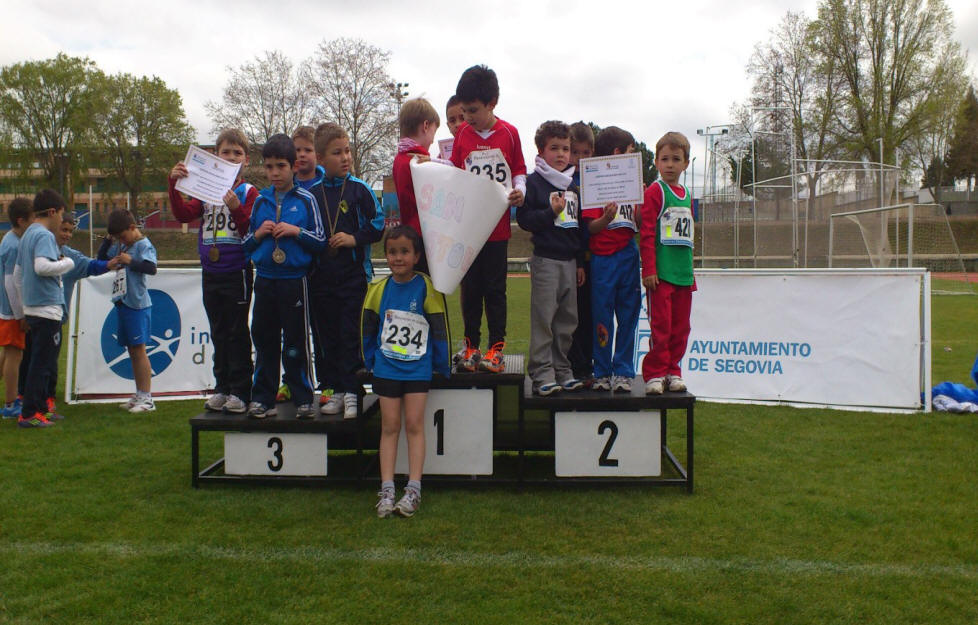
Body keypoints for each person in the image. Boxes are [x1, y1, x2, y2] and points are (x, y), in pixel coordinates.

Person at [361, 225, 450, 518]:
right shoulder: (377, 290)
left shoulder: (427, 286)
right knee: (389, 427)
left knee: (414, 425)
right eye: (392, 252)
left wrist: (442, 364)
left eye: (404, 252)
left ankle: (413, 490)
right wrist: (372, 360)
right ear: (385, 255)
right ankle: (387, 489)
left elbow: (439, 329)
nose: (397, 258)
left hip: (417, 370)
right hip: (386, 369)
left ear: (416, 256)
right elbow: (368, 329)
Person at [169, 128, 258, 414]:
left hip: (237, 272)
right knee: (218, 331)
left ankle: (242, 390)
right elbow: (183, 214)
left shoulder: (248, 192)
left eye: (237, 153)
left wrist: (236, 209)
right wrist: (174, 185)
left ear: (246, 161)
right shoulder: (205, 191)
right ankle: (222, 387)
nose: (231, 157)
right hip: (211, 271)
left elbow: (251, 231)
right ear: (215, 156)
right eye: (225, 152)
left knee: (237, 331)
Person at [449, 64, 526, 373]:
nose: (467, 117)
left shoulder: (509, 133)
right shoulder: (464, 135)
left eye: (473, 110)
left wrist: (519, 190)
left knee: (495, 291)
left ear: (492, 103)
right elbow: (455, 175)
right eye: (464, 111)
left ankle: (496, 349)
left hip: (497, 231)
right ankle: (470, 348)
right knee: (470, 291)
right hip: (469, 231)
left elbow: (519, 169)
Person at [242, 133, 325, 419]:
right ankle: (263, 398)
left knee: (295, 341)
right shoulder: (260, 202)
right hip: (265, 279)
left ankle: (302, 396)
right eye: (269, 167)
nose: (275, 173)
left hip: (294, 281)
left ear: (294, 167)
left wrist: (295, 232)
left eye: (281, 166)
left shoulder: (306, 200)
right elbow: (245, 245)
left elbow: (321, 241)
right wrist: (258, 234)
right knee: (264, 340)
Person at [308, 122, 384, 419]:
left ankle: (354, 392)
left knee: (350, 334)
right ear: (320, 158)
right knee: (327, 337)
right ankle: (336, 391)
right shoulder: (311, 194)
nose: (345, 157)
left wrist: (353, 239)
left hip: (353, 277)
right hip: (321, 278)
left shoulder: (359, 189)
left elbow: (377, 225)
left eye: (347, 150)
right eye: (337, 153)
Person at [516, 121, 585, 395]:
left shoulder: (572, 185)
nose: (561, 154)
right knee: (544, 319)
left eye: (566, 149)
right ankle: (542, 372)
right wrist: (550, 213)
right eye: (554, 148)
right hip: (545, 260)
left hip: (570, 262)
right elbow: (524, 220)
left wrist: (580, 262)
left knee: (567, 322)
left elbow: (577, 227)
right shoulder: (534, 182)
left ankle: (561, 369)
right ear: (541, 151)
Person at [581, 126, 642, 393]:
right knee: (602, 317)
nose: (634, 156)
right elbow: (590, 228)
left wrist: (641, 197)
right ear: (618, 153)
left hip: (628, 253)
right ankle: (603, 370)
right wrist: (605, 218)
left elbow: (639, 223)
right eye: (630, 151)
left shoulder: (633, 181)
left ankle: (624, 372)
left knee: (629, 315)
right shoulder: (596, 183)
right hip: (603, 259)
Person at [640, 132, 695, 395]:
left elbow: (688, 238)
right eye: (664, 159)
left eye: (676, 159)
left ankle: (674, 370)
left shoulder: (686, 194)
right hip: (661, 276)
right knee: (661, 327)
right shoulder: (655, 191)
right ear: (657, 162)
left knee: (681, 328)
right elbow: (647, 231)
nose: (670, 164)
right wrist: (649, 268)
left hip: (683, 275)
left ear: (686, 163)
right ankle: (656, 373)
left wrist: (690, 273)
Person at [14, 190, 74, 427]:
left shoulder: (27, 234)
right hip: (46, 308)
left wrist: (23, 307)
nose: (62, 219)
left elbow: (19, 274)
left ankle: (40, 409)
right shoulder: (44, 236)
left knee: (40, 361)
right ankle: (29, 414)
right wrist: (66, 263)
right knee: (41, 363)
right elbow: (41, 267)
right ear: (52, 212)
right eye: (61, 213)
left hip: (32, 307)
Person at [284, 125, 328, 405]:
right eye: (297, 150)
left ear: (318, 154)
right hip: (292, 272)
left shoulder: (327, 186)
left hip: (323, 271)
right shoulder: (285, 189)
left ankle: (327, 383)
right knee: (292, 332)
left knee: (322, 329)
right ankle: (291, 382)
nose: (301, 155)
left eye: (307, 150)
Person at [99, 209, 158, 413]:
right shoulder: (121, 245)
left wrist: (130, 261)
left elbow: (151, 268)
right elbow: (101, 258)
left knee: (139, 349)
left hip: (137, 304)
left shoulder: (143, 245)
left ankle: (147, 397)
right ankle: (139, 393)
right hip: (123, 302)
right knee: (132, 350)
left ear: (133, 228)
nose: (120, 240)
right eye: (117, 238)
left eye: (122, 236)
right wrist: (109, 240)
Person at [392, 97, 440, 275]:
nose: (433, 140)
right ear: (425, 126)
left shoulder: (400, 159)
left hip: (411, 234)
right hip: (424, 238)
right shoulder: (417, 162)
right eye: (434, 132)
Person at [567, 121, 595, 385]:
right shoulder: (564, 181)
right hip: (574, 258)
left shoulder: (598, 180)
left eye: (586, 153)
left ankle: (588, 365)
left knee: (590, 316)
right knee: (571, 317)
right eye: (575, 152)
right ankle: (575, 367)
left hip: (596, 258)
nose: (580, 159)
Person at [0, 198, 31, 419]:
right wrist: (21, 314)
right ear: (21, 221)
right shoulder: (13, 244)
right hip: (11, 310)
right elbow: (11, 283)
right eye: (32, 220)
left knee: (7, 352)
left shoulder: (11, 239)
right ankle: (11, 405)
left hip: (6, 309)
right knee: (14, 355)